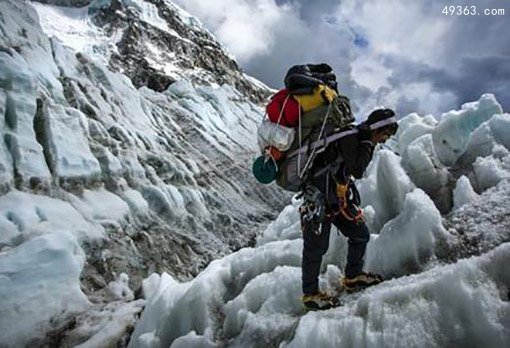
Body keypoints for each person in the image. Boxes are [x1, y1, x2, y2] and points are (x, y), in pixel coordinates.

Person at [300, 108, 398, 310]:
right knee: (316, 247)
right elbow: (357, 170)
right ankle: (311, 295)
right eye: (384, 134)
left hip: (335, 198)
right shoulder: (353, 138)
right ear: (377, 128)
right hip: (318, 198)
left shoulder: (357, 137)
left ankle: (353, 276)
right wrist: (366, 143)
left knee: (360, 234)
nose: (384, 140)